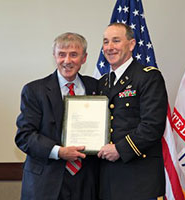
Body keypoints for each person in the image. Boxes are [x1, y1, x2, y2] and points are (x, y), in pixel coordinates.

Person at [15, 32, 99, 200]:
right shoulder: (34, 90)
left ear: (84, 58)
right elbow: (24, 137)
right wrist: (59, 152)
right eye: (62, 54)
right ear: (54, 56)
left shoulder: (96, 87)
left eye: (74, 55)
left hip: (87, 181)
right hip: (46, 183)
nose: (67, 61)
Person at [97, 23, 168, 200]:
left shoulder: (148, 77)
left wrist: (121, 149)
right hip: (107, 179)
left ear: (131, 44)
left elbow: (153, 126)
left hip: (139, 178)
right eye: (106, 42)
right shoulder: (102, 83)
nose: (109, 47)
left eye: (116, 41)